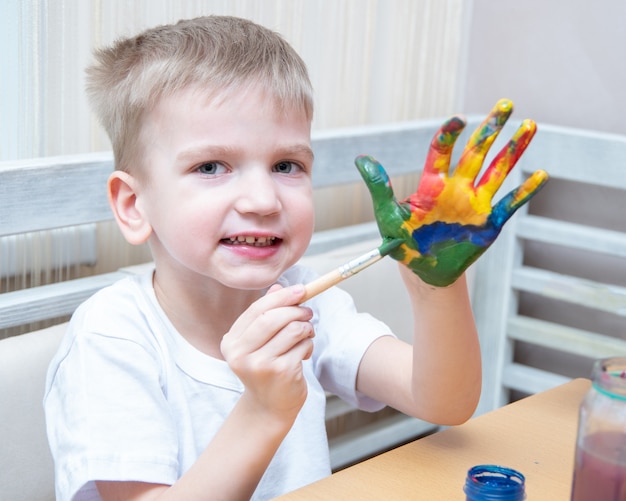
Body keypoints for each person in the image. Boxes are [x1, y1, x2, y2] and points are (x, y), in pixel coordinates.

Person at [44, 15, 547, 501]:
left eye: (286, 164)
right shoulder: (113, 337)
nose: (263, 200)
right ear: (135, 206)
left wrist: (436, 286)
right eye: (212, 166)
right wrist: (263, 410)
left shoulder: (307, 298)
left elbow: (445, 401)